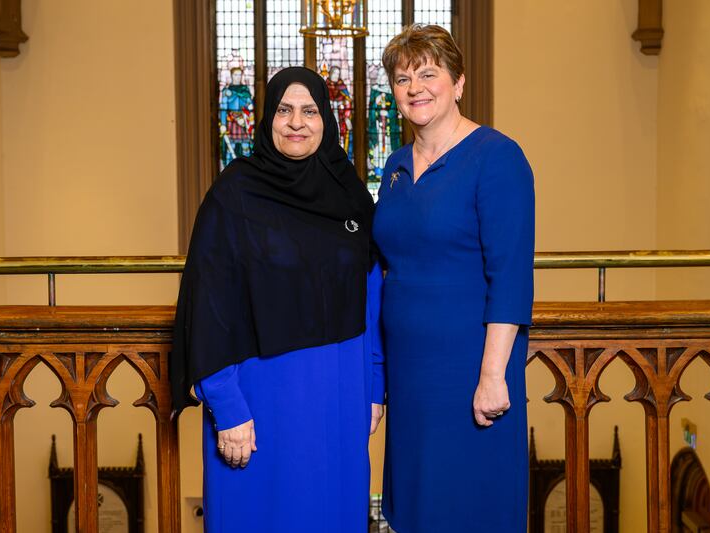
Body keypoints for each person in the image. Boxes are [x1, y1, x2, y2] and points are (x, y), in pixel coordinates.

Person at [170, 67, 385, 533]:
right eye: (284, 110)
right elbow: (208, 302)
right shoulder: (234, 194)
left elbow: (370, 289)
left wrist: (373, 385)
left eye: (309, 111)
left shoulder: (348, 194)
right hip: (259, 400)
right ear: (268, 118)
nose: (296, 122)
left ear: (327, 119)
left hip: (339, 399)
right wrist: (226, 406)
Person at [373, 25, 535, 533]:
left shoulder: (497, 157)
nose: (415, 87)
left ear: (458, 82)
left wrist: (492, 377)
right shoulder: (395, 167)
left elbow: (510, 275)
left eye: (428, 73)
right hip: (409, 371)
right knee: (416, 508)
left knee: (468, 507)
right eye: (403, 78)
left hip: (468, 369)